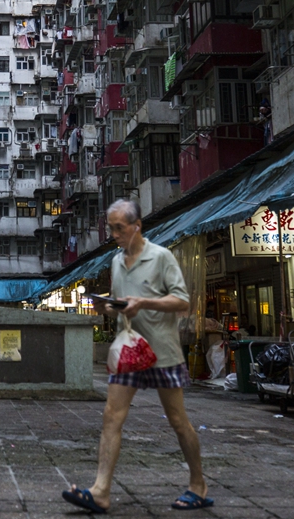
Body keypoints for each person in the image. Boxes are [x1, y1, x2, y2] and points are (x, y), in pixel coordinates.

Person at [61, 199, 212, 512]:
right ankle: (101, 490)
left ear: (137, 225)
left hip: (162, 351)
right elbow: (121, 301)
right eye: (111, 228)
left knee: (177, 420)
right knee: (111, 415)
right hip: (129, 349)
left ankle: (197, 484)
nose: (115, 234)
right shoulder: (116, 261)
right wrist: (107, 305)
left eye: (120, 228)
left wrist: (143, 303)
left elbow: (182, 301)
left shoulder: (161, 257)